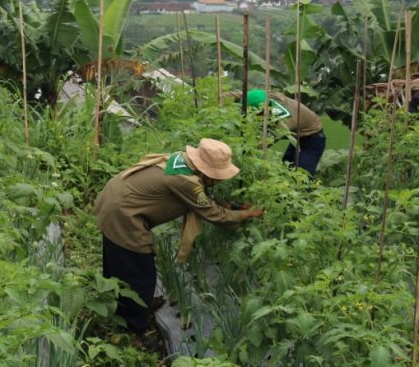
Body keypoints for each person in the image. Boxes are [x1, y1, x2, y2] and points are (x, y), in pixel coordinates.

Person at [93, 138, 263, 334]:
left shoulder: (182, 161)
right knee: (140, 271)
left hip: (118, 197)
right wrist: (247, 214)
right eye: (217, 176)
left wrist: (232, 206)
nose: (218, 180)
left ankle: (122, 306)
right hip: (123, 214)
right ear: (206, 170)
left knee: (120, 261)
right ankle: (133, 327)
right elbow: (213, 213)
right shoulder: (186, 181)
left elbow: (204, 199)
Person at [247, 89, 326, 176]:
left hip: (312, 139)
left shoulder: (285, 119)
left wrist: (247, 151)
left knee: (302, 174)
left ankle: (305, 189)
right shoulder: (268, 98)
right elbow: (241, 95)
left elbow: (268, 140)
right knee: (287, 165)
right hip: (298, 138)